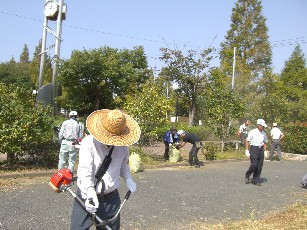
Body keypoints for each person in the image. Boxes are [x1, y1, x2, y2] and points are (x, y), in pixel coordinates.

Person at [70, 109, 141, 230]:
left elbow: (123, 164)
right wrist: (89, 192)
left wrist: (128, 178)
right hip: (86, 197)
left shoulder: (123, 146)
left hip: (111, 198)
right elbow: (85, 172)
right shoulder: (89, 143)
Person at [245, 119, 268, 186]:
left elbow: (265, 142)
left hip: (261, 149)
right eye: (262, 126)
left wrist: (265, 151)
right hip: (254, 149)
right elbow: (247, 141)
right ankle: (247, 175)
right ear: (258, 125)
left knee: (259, 166)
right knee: (254, 165)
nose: (263, 127)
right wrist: (246, 150)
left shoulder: (264, 133)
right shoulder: (253, 132)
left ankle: (255, 179)